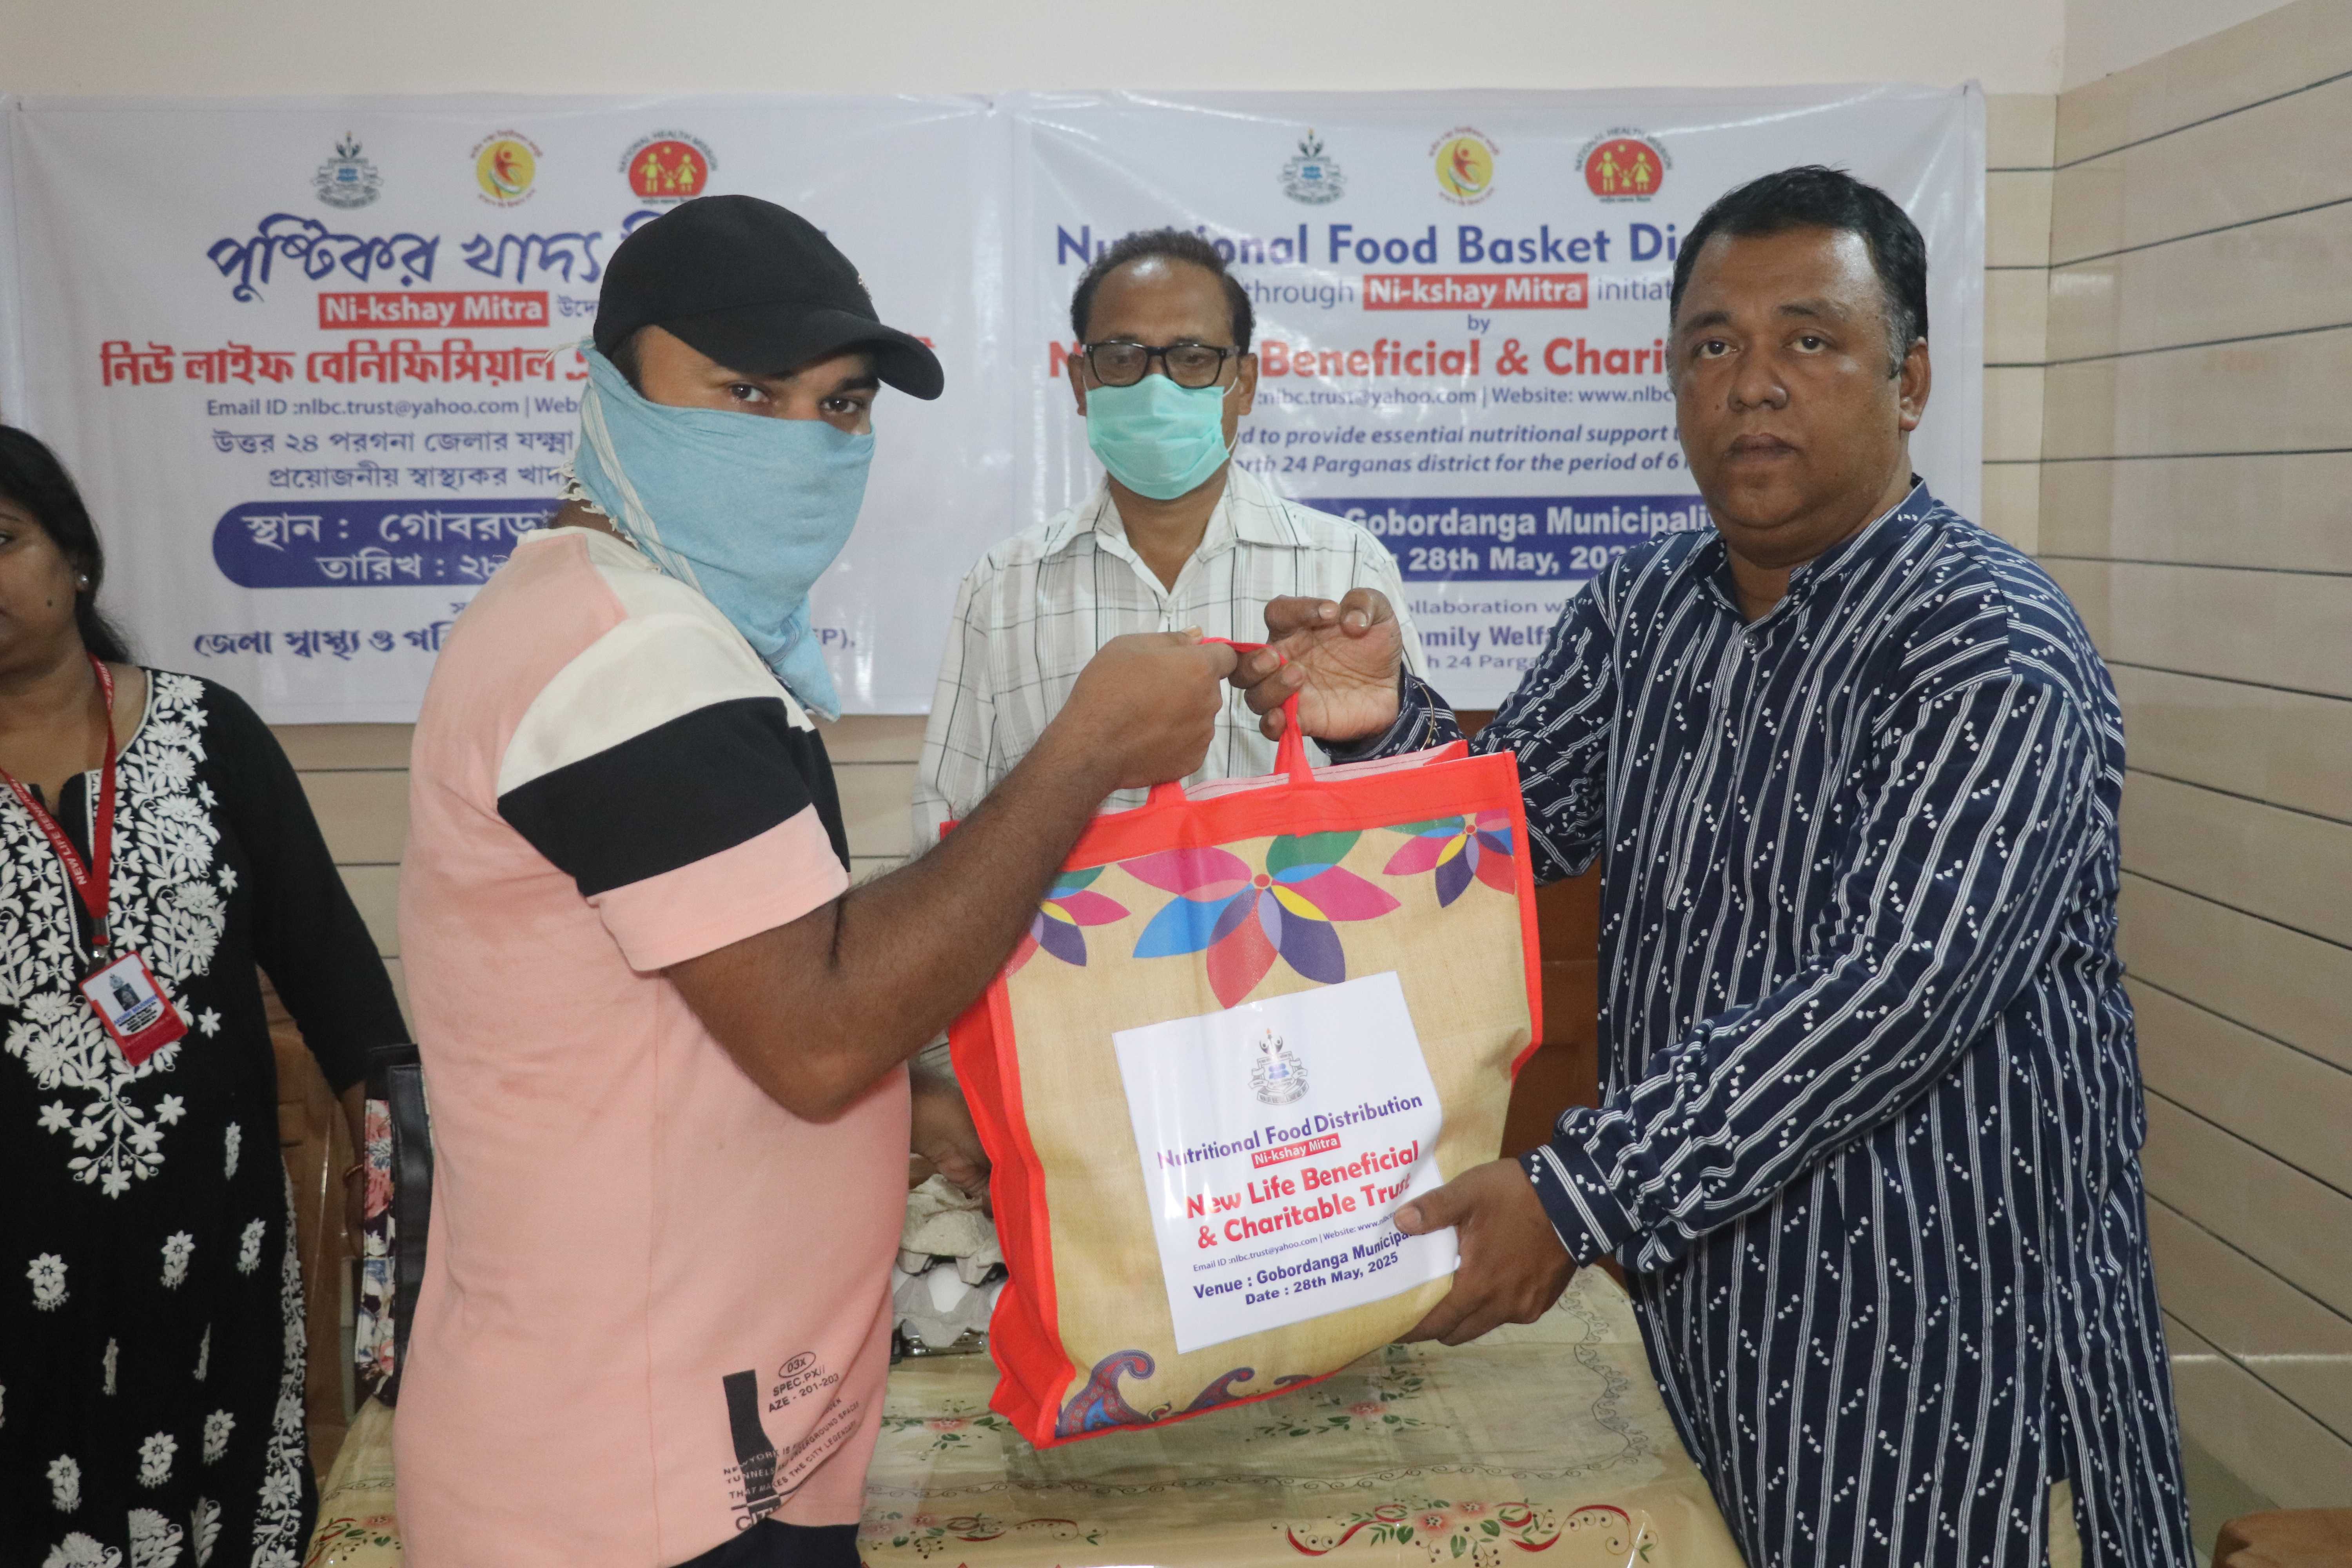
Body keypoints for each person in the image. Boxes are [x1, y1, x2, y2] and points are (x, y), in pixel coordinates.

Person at [1230, 167, 2192, 1567]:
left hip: (1953, 1355)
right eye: (1713, 345)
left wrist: (1576, 1194)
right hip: (1713, 1326)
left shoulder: (1993, 644)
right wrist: (1387, 725)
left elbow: (1893, 989)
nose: (1753, 384)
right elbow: (1509, 832)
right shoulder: (1645, 610)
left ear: (1912, 380)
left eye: (1811, 339)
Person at [393, 196, 1232, 1568]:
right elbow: (820, 1028)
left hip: (687, 1428)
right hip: (638, 1477)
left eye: (840, 407)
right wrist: (1084, 752)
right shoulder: (630, 659)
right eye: (746, 392)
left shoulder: (636, 624)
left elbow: (716, 1007)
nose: (800, 441)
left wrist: (919, 1101)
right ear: (611, 387)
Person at [907, 227, 1424, 1189]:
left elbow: (1411, 837)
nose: (1156, 384)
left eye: (1191, 357)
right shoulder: (1005, 588)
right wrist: (953, 1080)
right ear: (1079, 381)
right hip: (1075, 1073)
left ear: (1244, 381)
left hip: (1305, 1067)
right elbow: (947, 840)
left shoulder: (1344, 568)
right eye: (1122, 357)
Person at [0, 425, 407, 1565]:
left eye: (1, 539)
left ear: (75, 557)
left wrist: (405, 1205)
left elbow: (339, 985)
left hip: (210, 1260)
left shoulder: (207, 733)